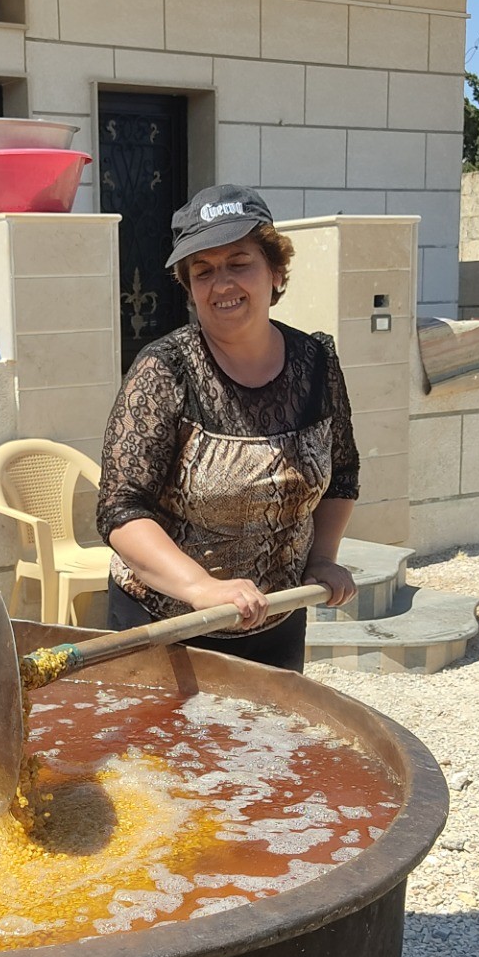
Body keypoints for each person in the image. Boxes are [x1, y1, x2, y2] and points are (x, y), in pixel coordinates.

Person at [95, 185, 359, 670]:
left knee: (269, 747)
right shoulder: (164, 371)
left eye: (239, 263)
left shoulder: (317, 363)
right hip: (168, 628)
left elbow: (341, 473)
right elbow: (120, 509)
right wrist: (201, 587)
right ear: (188, 285)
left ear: (276, 272)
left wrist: (322, 558)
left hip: (276, 620)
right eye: (203, 271)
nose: (222, 284)